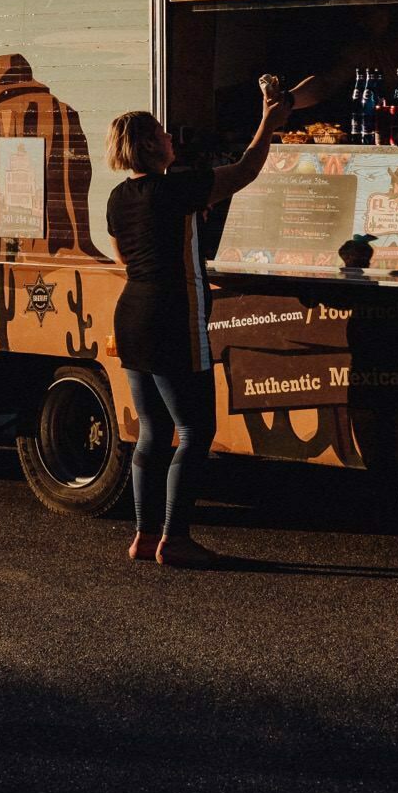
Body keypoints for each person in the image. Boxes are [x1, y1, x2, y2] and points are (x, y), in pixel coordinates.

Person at [106, 80, 290, 568]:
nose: (172, 138)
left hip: (131, 313)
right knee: (195, 430)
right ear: (150, 145)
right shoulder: (178, 189)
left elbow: (125, 255)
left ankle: (145, 537)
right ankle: (175, 538)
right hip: (173, 316)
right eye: (164, 134)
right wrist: (270, 117)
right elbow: (247, 169)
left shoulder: (119, 197)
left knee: (152, 430)